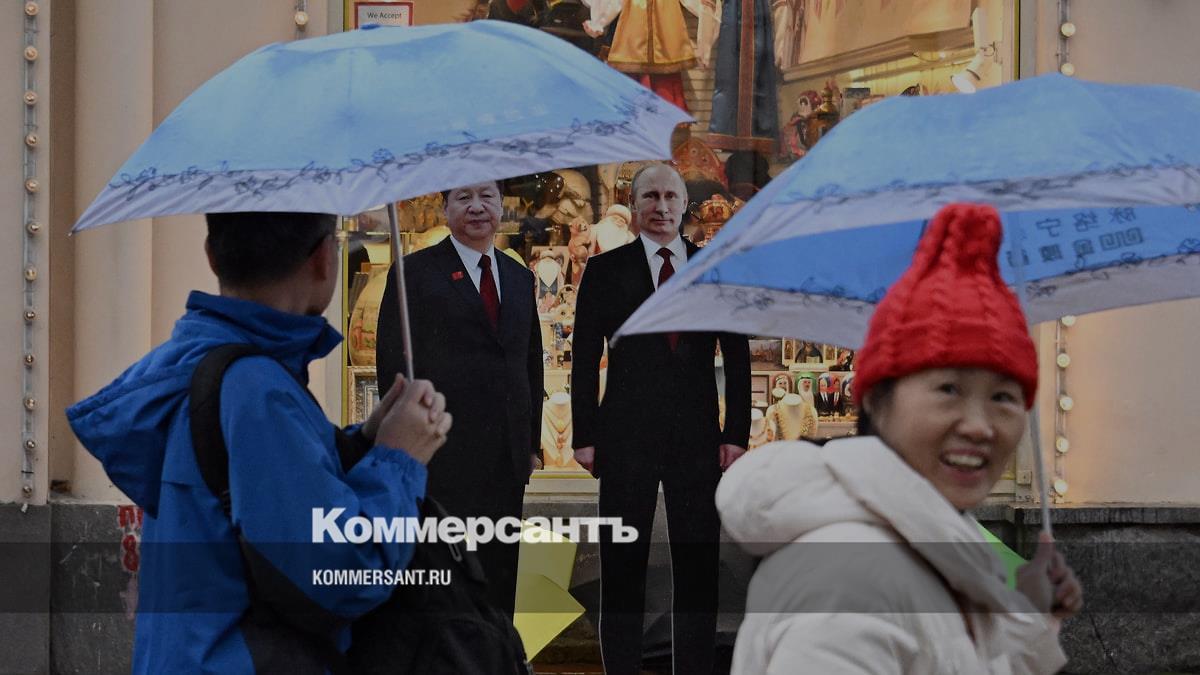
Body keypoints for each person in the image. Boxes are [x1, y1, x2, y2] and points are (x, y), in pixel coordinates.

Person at [66, 212, 450, 673]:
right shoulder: (256, 388)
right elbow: (342, 574)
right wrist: (398, 459)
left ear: (212, 256)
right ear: (324, 259)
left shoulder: (197, 362)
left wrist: (366, 442)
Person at [717, 203, 1083, 673]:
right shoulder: (851, 582)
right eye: (949, 389)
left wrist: (1028, 622)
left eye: (1003, 397)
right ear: (875, 400)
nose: (979, 425)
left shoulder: (938, 544)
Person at [571, 163, 751, 675]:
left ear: (684, 205)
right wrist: (585, 435)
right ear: (634, 205)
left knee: (698, 568)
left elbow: (736, 357)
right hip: (623, 436)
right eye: (650, 196)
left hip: (698, 437)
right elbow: (584, 357)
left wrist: (735, 433)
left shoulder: (714, 268)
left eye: (671, 197)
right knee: (621, 567)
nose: (661, 206)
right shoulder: (606, 271)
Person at [376, 180, 543, 616]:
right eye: (464, 197)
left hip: (506, 457)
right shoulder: (414, 273)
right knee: (444, 579)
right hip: (442, 452)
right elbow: (392, 368)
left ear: (501, 206)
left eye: (487, 196)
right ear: (445, 207)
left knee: (499, 577)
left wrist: (530, 444)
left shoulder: (519, 277)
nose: (477, 207)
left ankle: (497, 650)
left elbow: (530, 364)